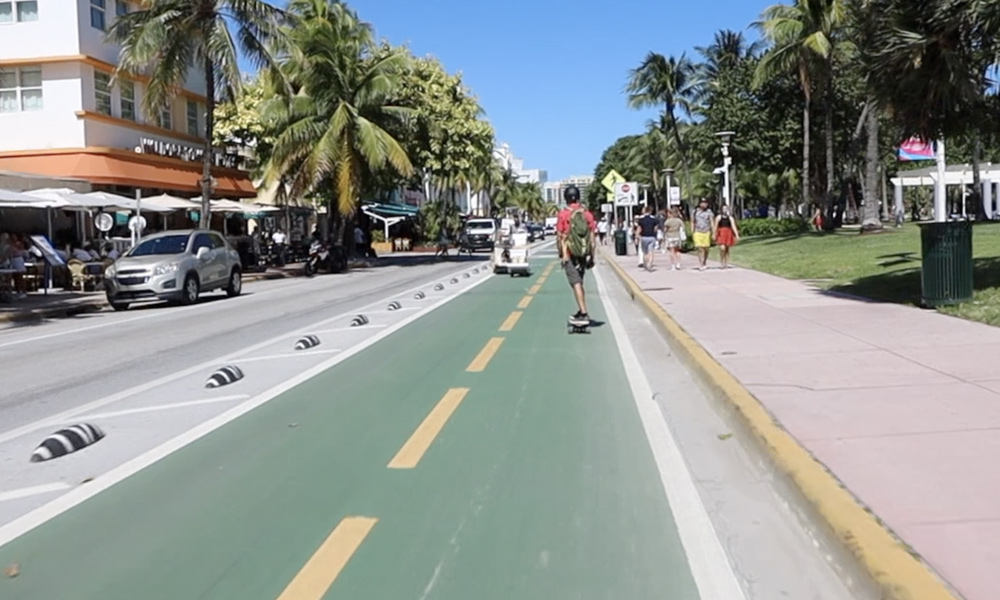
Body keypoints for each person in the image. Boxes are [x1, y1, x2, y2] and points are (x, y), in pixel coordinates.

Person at [556, 185, 596, 324]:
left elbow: (561, 236)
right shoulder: (587, 214)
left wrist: (563, 255)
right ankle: (581, 310)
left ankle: (584, 313)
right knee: (579, 281)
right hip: (584, 253)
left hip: (570, 253)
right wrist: (592, 256)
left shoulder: (563, 214)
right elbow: (592, 236)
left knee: (576, 283)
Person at [691, 198, 714, 270]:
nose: (704, 204)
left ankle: (704, 261)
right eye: (702, 203)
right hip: (698, 231)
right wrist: (692, 231)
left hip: (706, 231)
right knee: (700, 248)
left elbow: (711, 222)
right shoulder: (695, 211)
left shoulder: (709, 212)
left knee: (706, 248)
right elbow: (692, 221)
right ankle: (701, 263)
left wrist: (713, 232)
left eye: (705, 203)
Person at [636, 204, 660, 271]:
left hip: (644, 237)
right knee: (651, 252)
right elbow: (656, 229)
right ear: (650, 211)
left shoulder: (641, 220)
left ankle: (645, 265)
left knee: (645, 252)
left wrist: (637, 236)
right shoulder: (654, 220)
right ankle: (650, 264)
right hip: (651, 237)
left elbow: (639, 229)